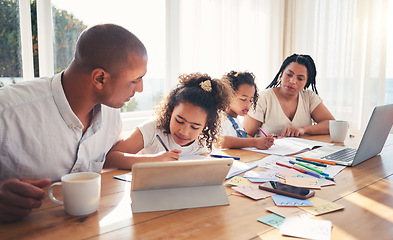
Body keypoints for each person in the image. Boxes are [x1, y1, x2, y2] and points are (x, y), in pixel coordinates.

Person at [0, 24, 148, 222]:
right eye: (135, 80)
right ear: (100, 78)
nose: (140, 89)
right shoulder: (7, 111)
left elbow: (111, 159)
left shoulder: (112, 115)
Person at [104, 72, 233, 169]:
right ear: (171, 111)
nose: (184, 131)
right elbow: (109, 159)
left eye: (194, 127)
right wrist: (154, 160)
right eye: (179, 121)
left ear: (205, 124)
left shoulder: (203, 140)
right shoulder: (151, 130)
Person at [244, 54, 335, 137]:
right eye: (289, 74)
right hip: (267, 153)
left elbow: (332, 125)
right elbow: (245, 134)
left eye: (300, 78)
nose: (292, 81)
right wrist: (262, 143)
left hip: (303, 154)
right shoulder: (263, 98)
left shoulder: (309, 97)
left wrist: (303, 129)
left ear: (306, 82)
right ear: (282, 73)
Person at [217, 71, 275, 149]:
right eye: (243, 99)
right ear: (227, 95)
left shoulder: (236, 120)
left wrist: (265, 141)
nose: (247, 104)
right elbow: (222, 141)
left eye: (251, 100)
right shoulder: (220, 119)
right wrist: (255, 142)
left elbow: (243, 139)